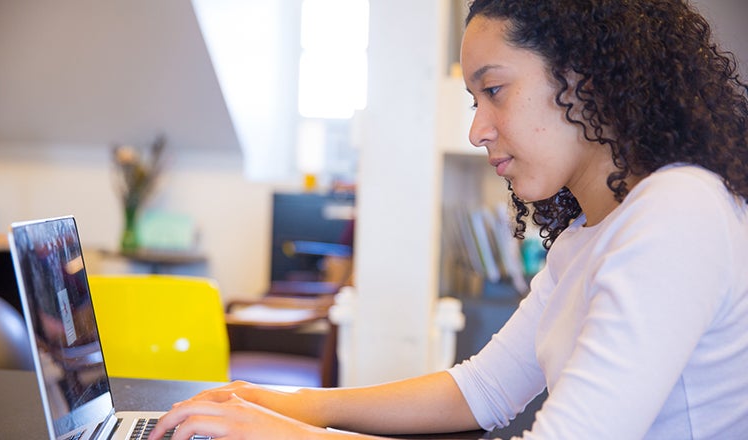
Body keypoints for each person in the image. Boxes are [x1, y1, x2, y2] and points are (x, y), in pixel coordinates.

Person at [150, 0, 748, 438]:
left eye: (495, 90)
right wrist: (287, 404)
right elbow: (482, 389)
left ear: (583, 78)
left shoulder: (678, 211)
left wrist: (291, 438)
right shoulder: (586, 238)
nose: (477, 128)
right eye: (474, 99)